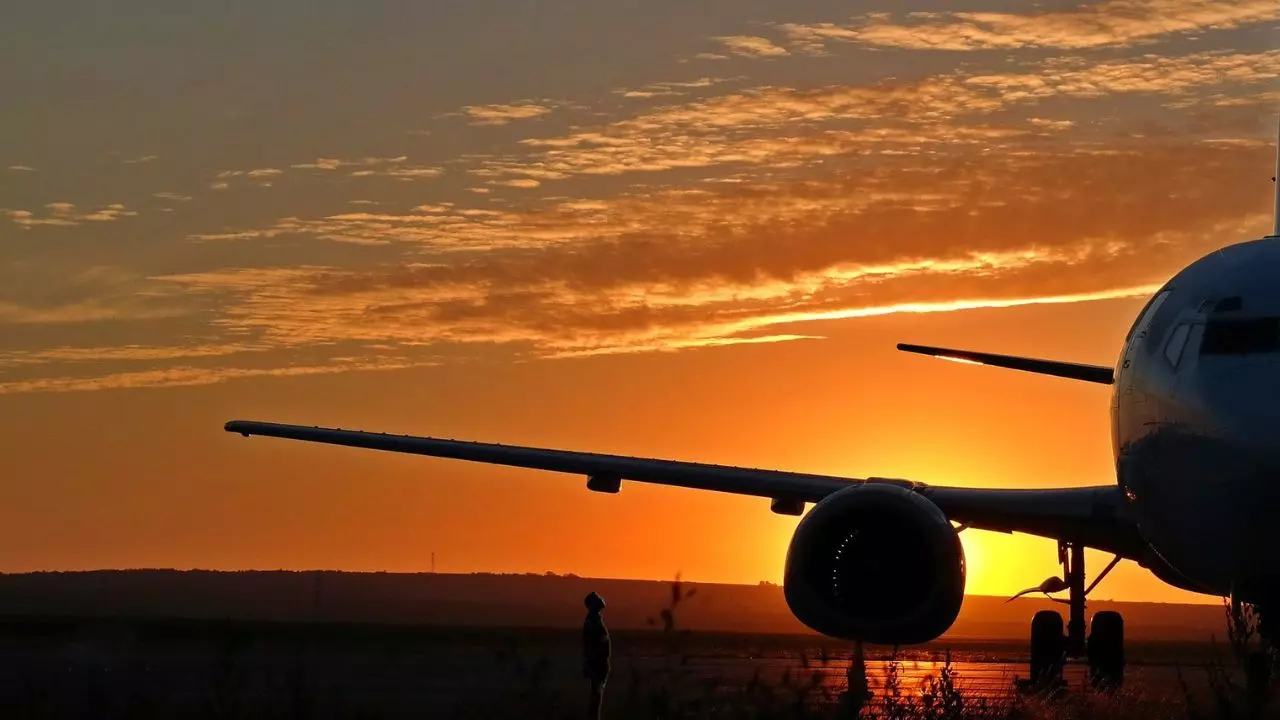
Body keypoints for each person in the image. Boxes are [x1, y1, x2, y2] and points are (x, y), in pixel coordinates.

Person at [582, 591, 610, 719]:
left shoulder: (594, 619)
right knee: (596, 697)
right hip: (597, 664)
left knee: (597, 697)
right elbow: (592, 644)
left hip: (599, 663)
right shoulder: (592, 621)